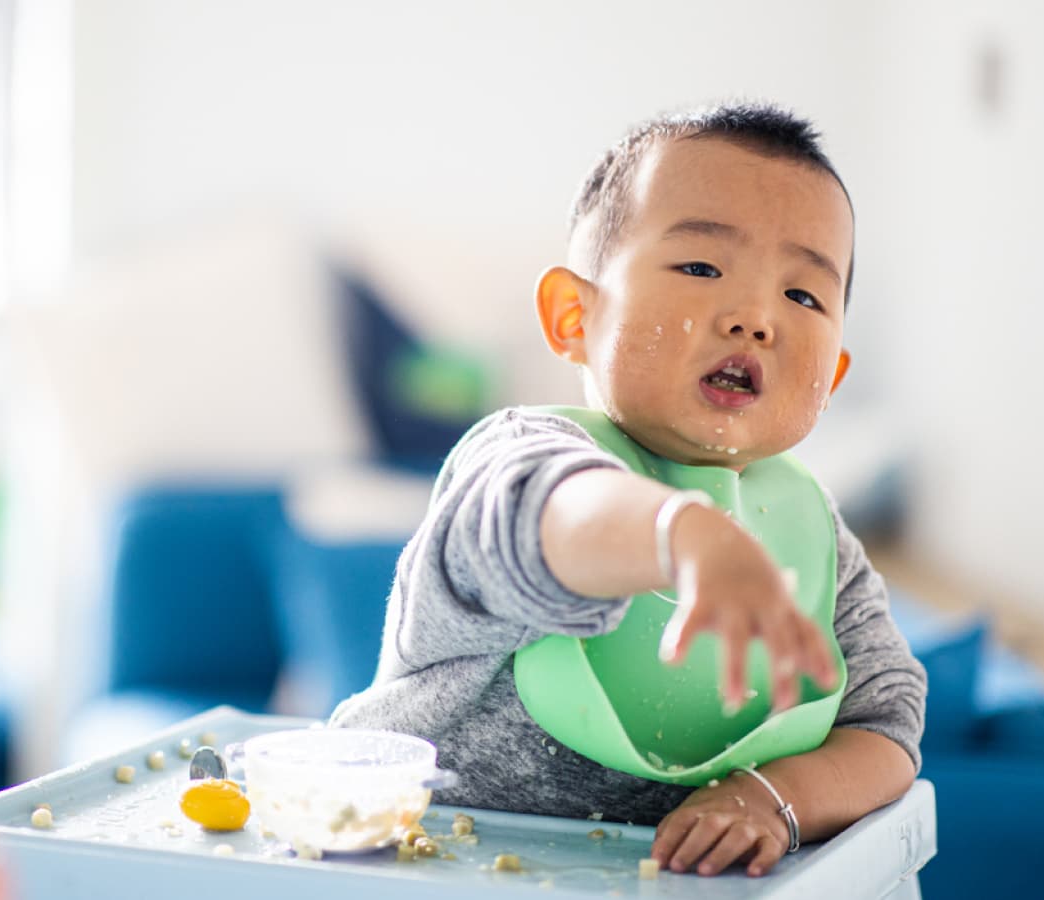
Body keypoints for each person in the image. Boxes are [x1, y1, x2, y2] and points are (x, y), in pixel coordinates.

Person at [328, 102, 927, 878]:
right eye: (702, 268)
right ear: (574, 315)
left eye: (803, 297)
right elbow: (555, 520)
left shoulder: (812, 535)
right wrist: (680, 536)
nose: (755, 318)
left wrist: (772, 798)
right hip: (411, 861)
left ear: (833, 376)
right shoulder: (522, 459)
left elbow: (886, 731)